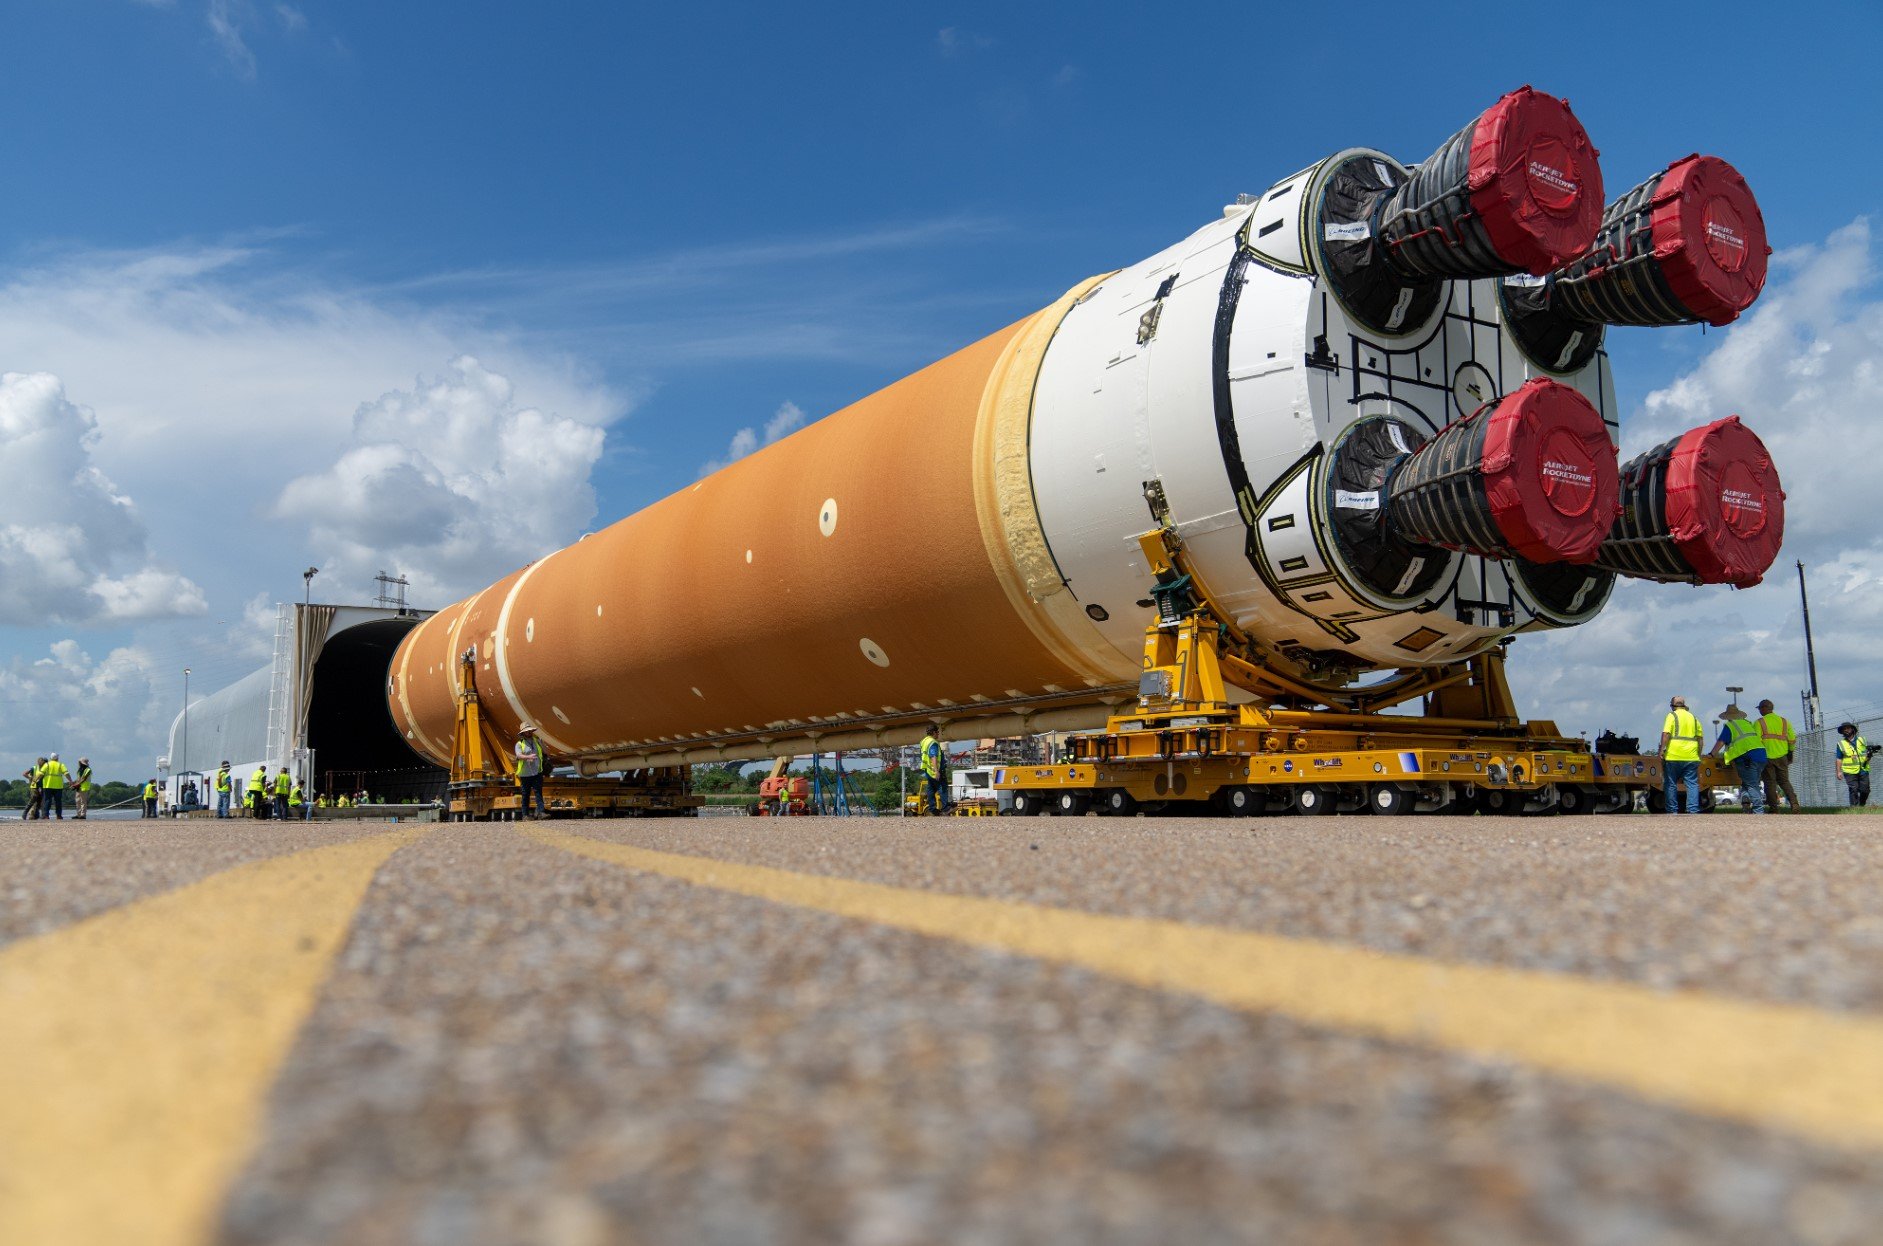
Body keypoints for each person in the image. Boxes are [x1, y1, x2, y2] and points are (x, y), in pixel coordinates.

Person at [1709, 706, 1766, 814]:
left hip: (1746, 757)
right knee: (1748, 782)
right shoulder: (1748, 723)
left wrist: (1712, 754)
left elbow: (1721, 742)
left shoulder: (1730, 725)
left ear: (1728, 716)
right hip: (1761, 755)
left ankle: (1758, 810)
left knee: (1751, 784)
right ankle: (1745, 801)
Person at [1658, 695, 1705, 813]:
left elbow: (1666, 734)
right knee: (1692, 784)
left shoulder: (1671, 716)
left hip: (1673, 756)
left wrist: (1661, 750)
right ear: (1684, 706)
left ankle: (1672, 811)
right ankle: (1693, 810)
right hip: (1691, 756)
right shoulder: (1694, 718)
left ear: (1672, 706)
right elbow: (1700, 739)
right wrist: (1699, 754)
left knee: (1670, 784)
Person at [1755, 700, 1800, 812]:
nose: (1759, 711)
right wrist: (1790, 753)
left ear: (1764, 708)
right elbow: (1792, 740)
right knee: (1784, 782)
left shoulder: (1759, 722)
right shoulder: (1785, 722)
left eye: (1760, 708)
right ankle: (1794, 804)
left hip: (1766, 758)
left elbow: (1756, 742)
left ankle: (1774, 808)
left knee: (1770, 783)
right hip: (1782, 756)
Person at [1835, 723, 1873, 807]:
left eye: (1847, 728)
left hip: (1863, 769)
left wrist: (1869, 756)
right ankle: (1854, 808)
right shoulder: (1841, 744)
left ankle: (1861, 805)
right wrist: (1838, 772)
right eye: (1844, 729)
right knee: (1853, 789)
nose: (1846, 730)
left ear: (1852, 729)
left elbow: (1867, 753)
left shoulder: (1862, 740)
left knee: (1865, 790)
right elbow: (1839, 758)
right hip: (1849, 771)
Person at [515, 723, 547, 819]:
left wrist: (542, 743)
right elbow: (518, 755)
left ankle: (541, 813)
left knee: (538, 793)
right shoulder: (519, 744)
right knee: (526, 794)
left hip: (537, 772)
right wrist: (528, 757)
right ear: (523, 733)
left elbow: (546, 752)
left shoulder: (537, 741)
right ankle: (525, 815)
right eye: (527, 731)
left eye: (530, 730)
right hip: (525, 774)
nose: (529, 732)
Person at [918, 729, 947, 815]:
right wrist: (936, 771)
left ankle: (932, 808)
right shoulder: (933, 743)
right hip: (934, 770)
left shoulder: (924, 741)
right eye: (937, 732)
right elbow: (933, 756)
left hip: (928, 770)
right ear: (934, 732)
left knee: (931, 788)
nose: (938, 734)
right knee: (942, 787)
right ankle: (946, 808)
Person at [38, 753, 70, 819]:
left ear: (50, 758)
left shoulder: (47, 764)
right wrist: (71, 781)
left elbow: (40, 774)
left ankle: (46, 815)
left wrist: (35, 780)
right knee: (58, 801)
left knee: (47, 801)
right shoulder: (60, 764)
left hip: (48, 785)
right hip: (58, 786)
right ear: (57, 758)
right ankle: (59, 815)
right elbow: (66, 773)